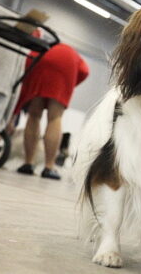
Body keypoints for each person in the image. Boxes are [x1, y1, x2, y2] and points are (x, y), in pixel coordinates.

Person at [14, 42, 89, 180]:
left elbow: (26, 62)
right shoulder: (72, 53)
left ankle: (28, 164)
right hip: (66, 65)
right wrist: (68, 85)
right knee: (55, 117)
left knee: (34, 115)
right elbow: (85, 72)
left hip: (38, 58)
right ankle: (49, 167)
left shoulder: (44, 45)